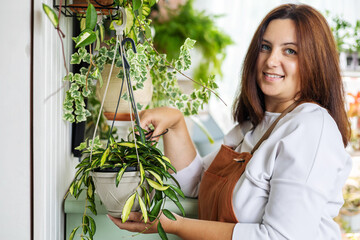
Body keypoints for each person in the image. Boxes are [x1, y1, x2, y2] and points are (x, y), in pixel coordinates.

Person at [108, 3, 352, 240]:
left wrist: (175, 225)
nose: (270, 61)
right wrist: (175, 123)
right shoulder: (252, 127)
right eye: (265, 47)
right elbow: (195, 185)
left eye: (290, 51)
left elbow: (281, 237)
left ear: (315, 62)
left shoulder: (310, 128)